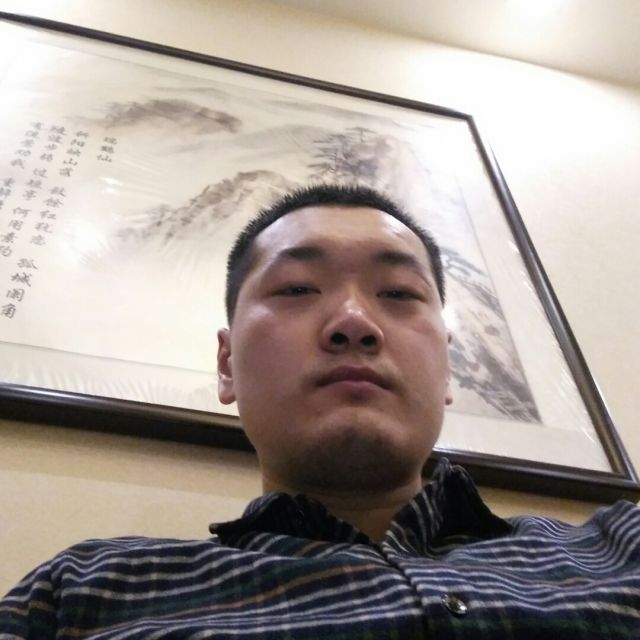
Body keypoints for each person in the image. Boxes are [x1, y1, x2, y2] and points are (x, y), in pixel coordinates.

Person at [1, 184, 639, 639]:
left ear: (448, 367)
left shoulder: (622, 547)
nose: (354, 322)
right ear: (227, 364)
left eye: (398, 293)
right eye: (297, 288)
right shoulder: (86, 592)